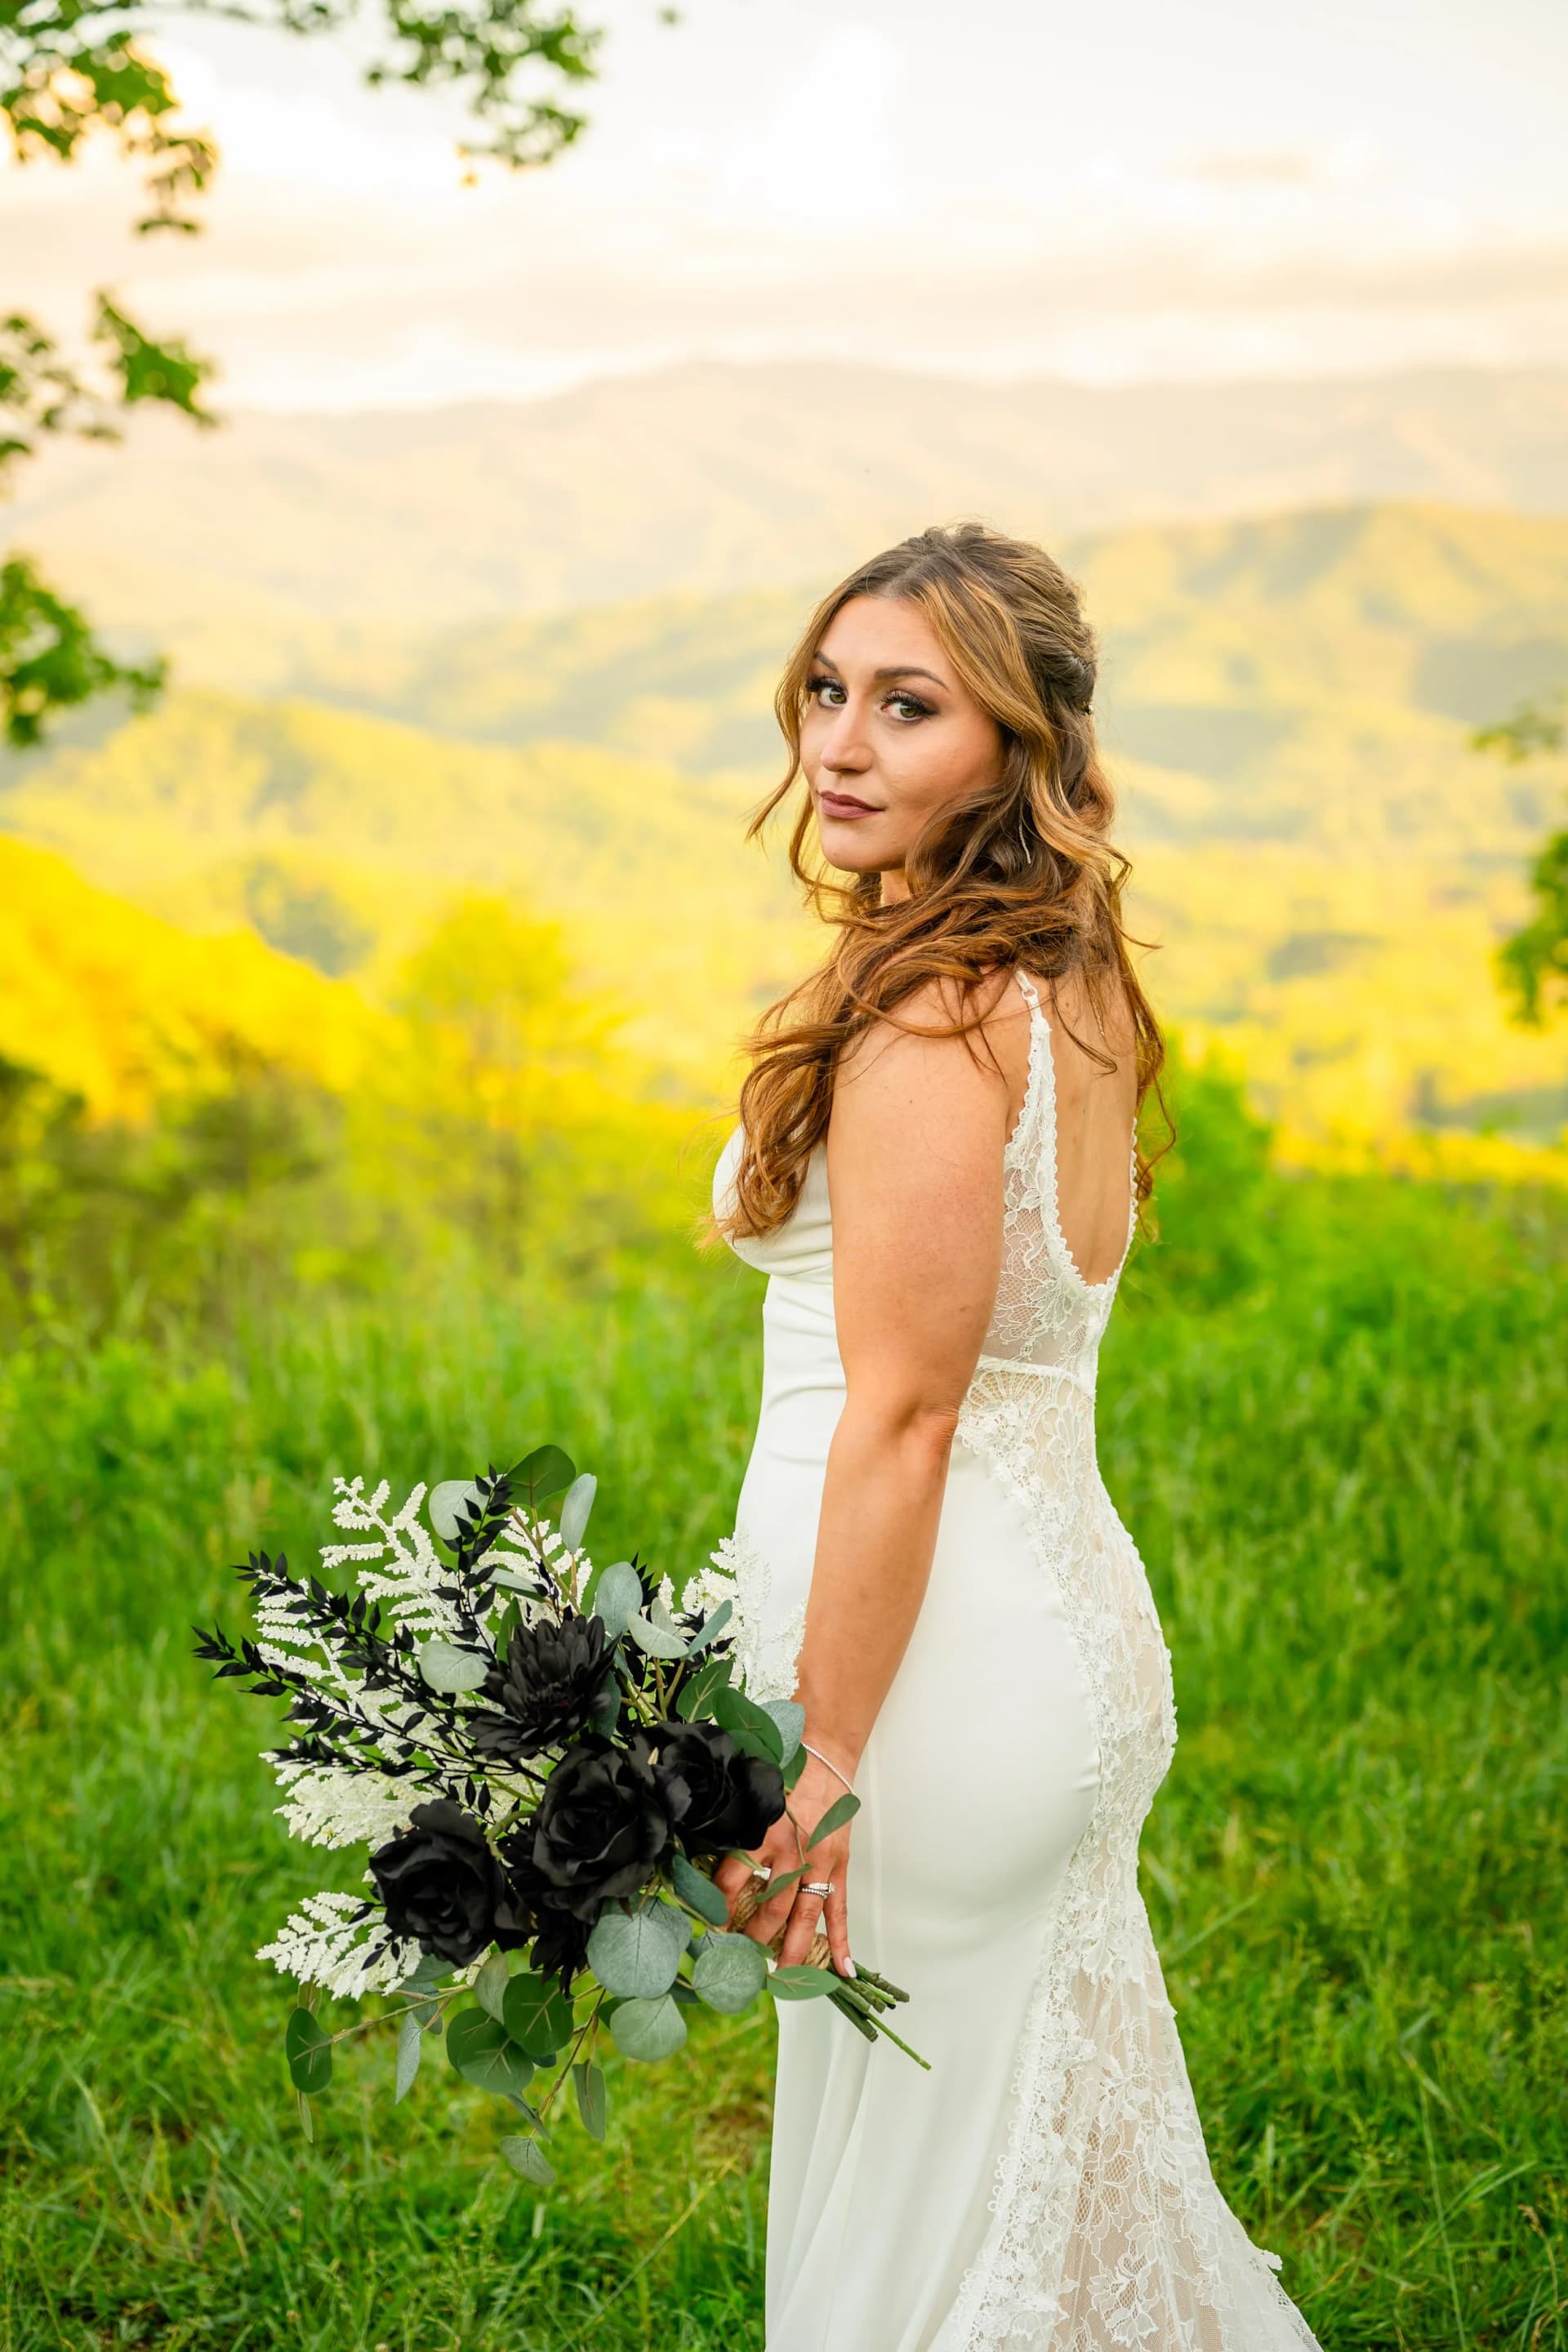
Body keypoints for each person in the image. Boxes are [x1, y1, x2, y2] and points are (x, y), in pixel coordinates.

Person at [709, 524, 1321, 2352]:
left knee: (921, 2241)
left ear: (1017, 744)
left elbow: (900, 1417)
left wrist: (817, 1769)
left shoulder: (925, 1016)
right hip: (1056, 1644)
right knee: (1040, 2201)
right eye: (828, 692)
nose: (842, 743)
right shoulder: (1073, 977)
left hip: (932, 1697)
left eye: (910, 706)